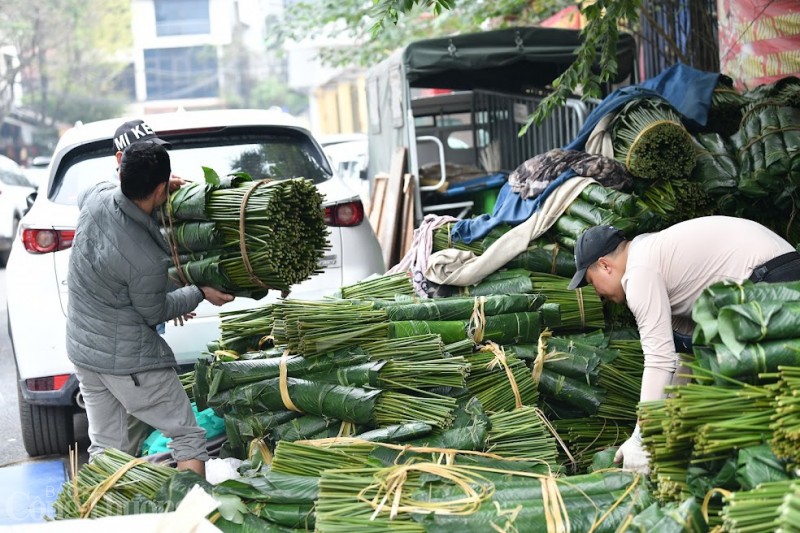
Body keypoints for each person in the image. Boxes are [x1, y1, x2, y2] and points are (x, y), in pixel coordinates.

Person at [567, 215, 800, 474]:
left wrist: (640, 438)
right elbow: (683, 358)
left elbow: (659, 359)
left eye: (591, 282)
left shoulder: (639, 274)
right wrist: (667, 419)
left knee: (775, 395)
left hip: (771, 283)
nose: (597, 294)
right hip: (779, 273)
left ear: (604, 265)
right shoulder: (652, 253)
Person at [66, 142, 233, 477]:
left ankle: (103, 518)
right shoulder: (144, 257)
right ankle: (194, 521)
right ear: (160, 188)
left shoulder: (96, 197)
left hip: (84, 352)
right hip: (127, 361)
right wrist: (199, 291)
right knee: (186, 435)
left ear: (121, 176)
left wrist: (151, 187)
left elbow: (91, 192)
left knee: (107, 447)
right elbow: (154, 311)